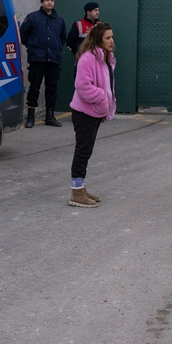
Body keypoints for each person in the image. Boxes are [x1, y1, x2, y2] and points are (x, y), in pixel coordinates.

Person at [67, 22, 116, 208]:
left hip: (94, 112)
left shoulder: (106, 58)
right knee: (82, 150)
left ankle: (81, 187)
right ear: (98, 40)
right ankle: (76, 192)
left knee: (86, 151)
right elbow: (82, 86)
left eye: (112, 37)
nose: (112, 41)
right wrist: (103, 97)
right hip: (84, 112)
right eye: (108, 38)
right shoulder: (88, 58)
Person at [19, 0, 67, 128]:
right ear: (42, 2)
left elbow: (62, 38)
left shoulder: (59, 20)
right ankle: (31, 117)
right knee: (34, 87)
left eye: (52, 0)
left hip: (53, 59)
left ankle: (50, 117)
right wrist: (33, 47)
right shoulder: (33, 17)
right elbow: (23, 35)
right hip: (37, 59)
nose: (50, 2)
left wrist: (55, 47)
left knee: (52, 88)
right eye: (47, 0)